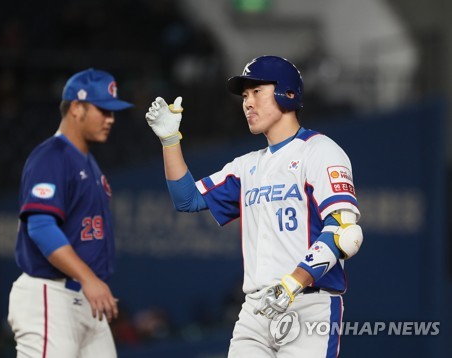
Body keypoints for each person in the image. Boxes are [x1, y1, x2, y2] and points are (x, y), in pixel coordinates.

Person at [145, 55, 363, 357]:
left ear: (287, 92)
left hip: (309, 304)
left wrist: (292, 284)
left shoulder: (320, 151)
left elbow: (344, 232)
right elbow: (187, 200)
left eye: (256, 92)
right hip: (257, 309)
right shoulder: (246, 166)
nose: (247, 103)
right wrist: (170, 141)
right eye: (244, 96)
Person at [8, 68, 133, 357]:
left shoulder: (89, 162)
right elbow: (40, 225)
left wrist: (89, 281)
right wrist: (89, 278)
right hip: (49, 294)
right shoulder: (52, 156)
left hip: (85, 300)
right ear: (76, 108)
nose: (111, 119)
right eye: (103, 110)